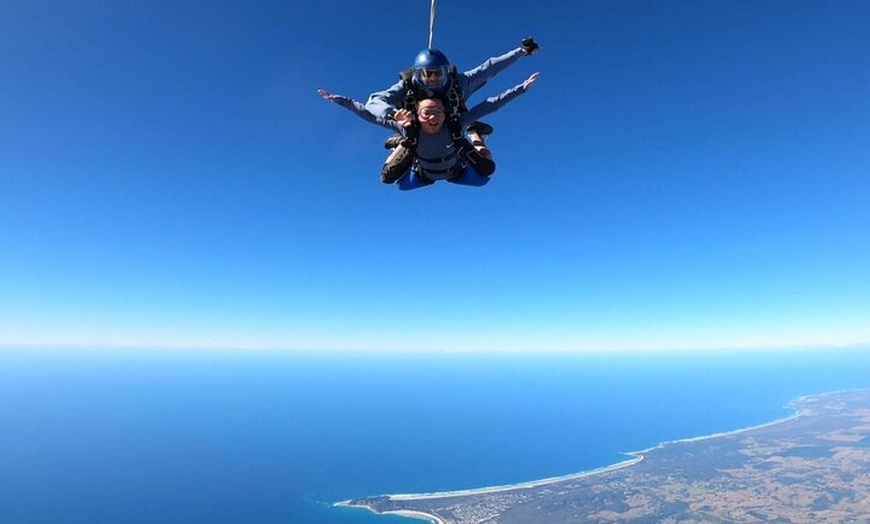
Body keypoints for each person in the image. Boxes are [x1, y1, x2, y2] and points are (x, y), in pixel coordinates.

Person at [367, 38, 540, 184]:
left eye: (438, 74)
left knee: (486, 167)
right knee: (395, 166)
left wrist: (521, 51)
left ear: (447, 72)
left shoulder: (459, 82)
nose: (433, 79)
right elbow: (374, 101)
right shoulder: (407, 86)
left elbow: (490, 68)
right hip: (416, 126)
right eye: (426, 74)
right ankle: (402, 140)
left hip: (454, 123)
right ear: (416, 75)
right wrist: (392, 113)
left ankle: (474, 132)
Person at [385, 72, 538, 191]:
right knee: (393, 179)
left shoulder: (455, 123)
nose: (432, 117)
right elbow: (373, 116)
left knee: (486, 171)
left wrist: (521, 88)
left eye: (437, 111)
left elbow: (491, 104)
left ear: (444, 112)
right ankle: (402, 141)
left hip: (456, 168)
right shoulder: (414, 123)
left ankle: (474, 132)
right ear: (418, 113)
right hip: (424, 170)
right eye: (427, 112)